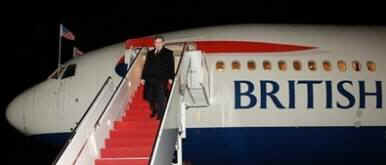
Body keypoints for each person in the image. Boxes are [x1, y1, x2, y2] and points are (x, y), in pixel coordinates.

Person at [141, 36, 175, 120]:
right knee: (149, 97)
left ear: (163, 43)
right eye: (156, 42)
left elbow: (171, 66)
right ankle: (154, 110)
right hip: (149, 78)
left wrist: (171, 77)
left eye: (160, 42)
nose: (158, 44)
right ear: (154, 43)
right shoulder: (150, 53)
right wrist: (143, 77)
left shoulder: (168, 52)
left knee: (160, 97)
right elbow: (146, 66)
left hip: (161, 78)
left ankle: (161, 115)